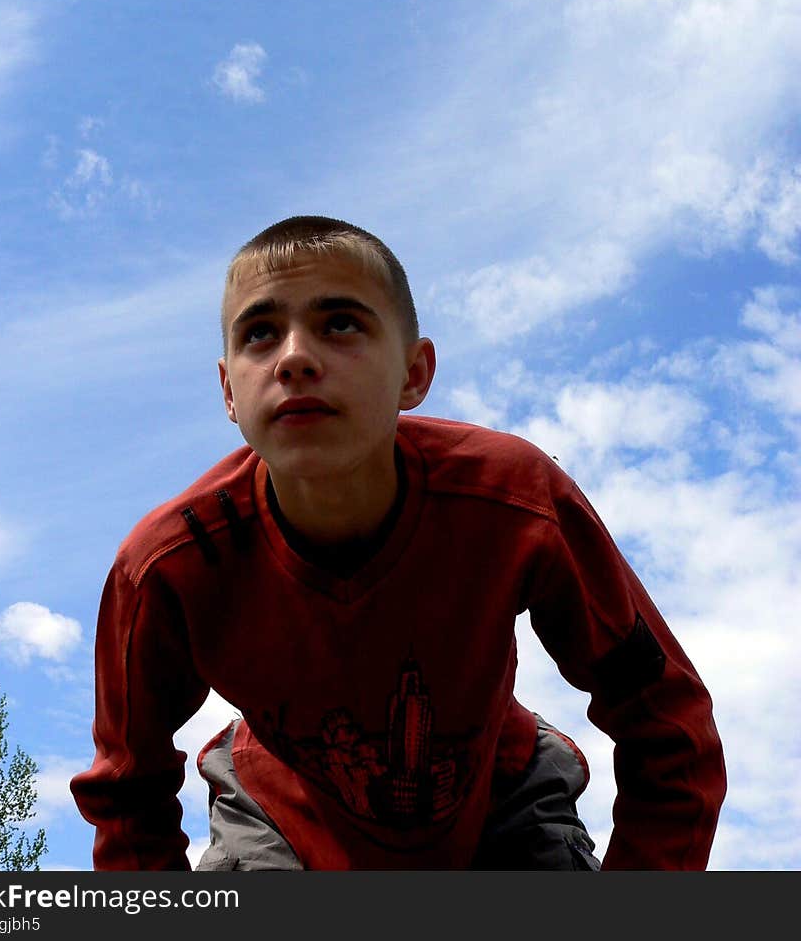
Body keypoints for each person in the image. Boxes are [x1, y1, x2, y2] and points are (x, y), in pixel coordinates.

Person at [70, 215, 726, 871]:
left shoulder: (515, 502)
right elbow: (127, 794)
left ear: (415, 373)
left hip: (501, 796)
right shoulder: (167, 563)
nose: (294, 356)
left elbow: (666, 716)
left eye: (340, 323)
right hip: (279, 819)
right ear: (228, 391)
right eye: (260, 333)